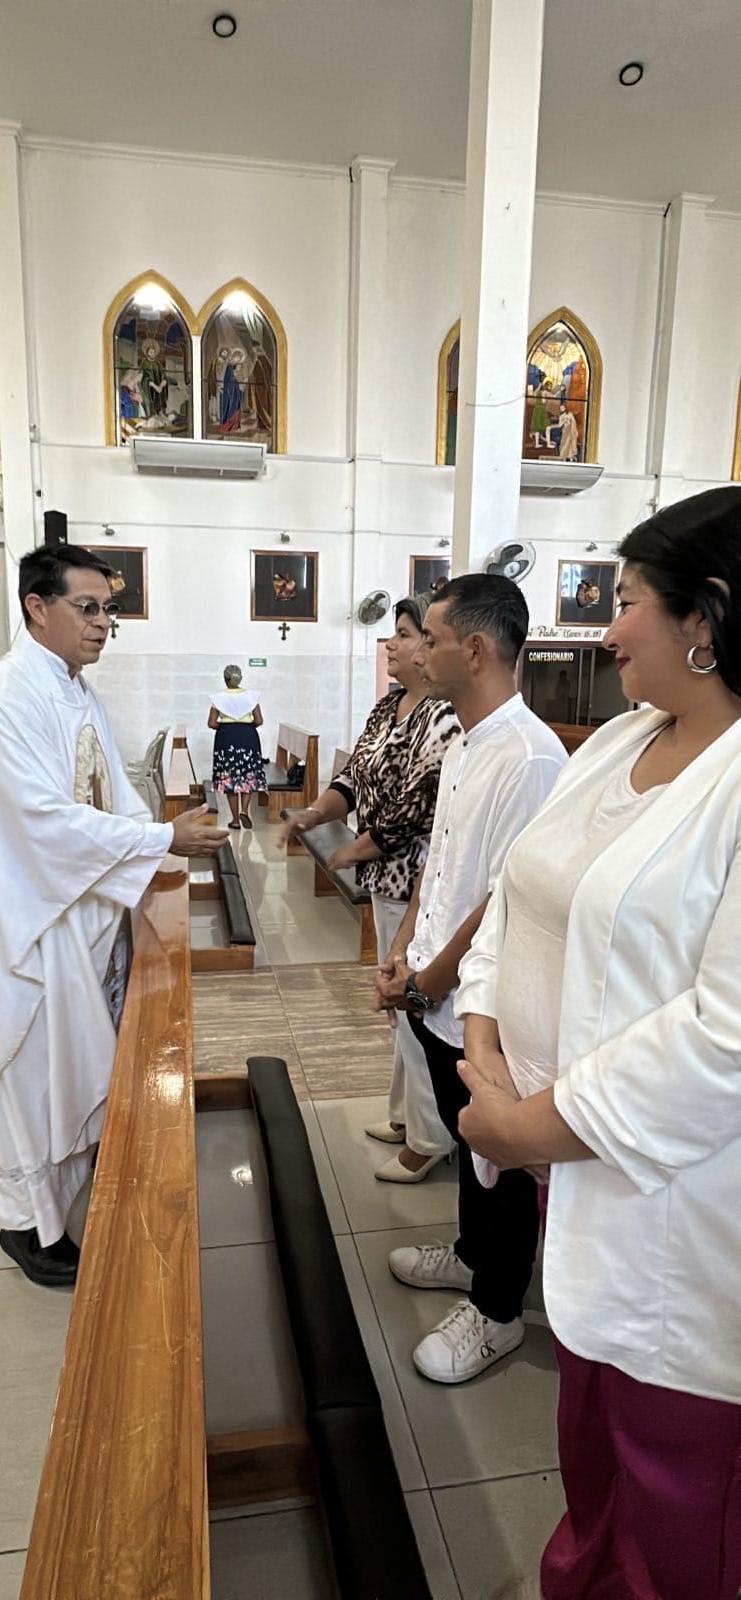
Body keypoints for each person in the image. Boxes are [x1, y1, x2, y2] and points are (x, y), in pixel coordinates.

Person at [455, 486, 741, 1600]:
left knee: (678, 1488)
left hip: (680, 1215)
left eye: (625, 601)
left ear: (704, 616)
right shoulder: (621, 737)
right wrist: (481, 1031)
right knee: (591, 1437)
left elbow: (724, 1038)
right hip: (566, 1171)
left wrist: (522, 1124)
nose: (606, 628)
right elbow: (518, 890)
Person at [0, 546, 227, 1289]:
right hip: (26, 924)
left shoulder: (75, 691)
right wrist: (159, 840)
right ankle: (26, 1225)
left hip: (76, 914)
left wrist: (153, 837)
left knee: (68, 1068)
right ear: (37, 607)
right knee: (31, 1076)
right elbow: (39, 821)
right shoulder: (3, 699)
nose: (102, 624)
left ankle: (63, 1200)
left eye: (108, 611)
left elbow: (113, 793)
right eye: (87, 608)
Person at [375, 575, 567, 1381]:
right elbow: (439, 858)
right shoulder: (462, 740)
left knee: (499, 1160)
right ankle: (468, 1255)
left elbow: (502, 899)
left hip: (483, 1003)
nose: (417, 650)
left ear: (476, 649)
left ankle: (497, 1310)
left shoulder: (531, 758)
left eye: (431, 637)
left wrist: (431, 979)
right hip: (435, 988)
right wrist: (405, 951)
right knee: (464, 1137)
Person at [283, 597, 459, 1179]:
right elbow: (353, 777)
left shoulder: (444, 717)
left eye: (405, 634)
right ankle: (406, 1116)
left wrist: (351, 850)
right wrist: (315, 813)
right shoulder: (388, 707)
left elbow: (416, 805)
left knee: (415, 1007)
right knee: (396, 1009)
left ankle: (431, 1139)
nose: (392, 644)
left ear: (428, 646)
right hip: (385, 878)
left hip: (418, 881)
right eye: (394, 634)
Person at [208, 664, 267, 829]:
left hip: (226, 738)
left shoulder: (218, 698)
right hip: (248, 737)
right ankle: (245, 811)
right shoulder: (251, 697)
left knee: (230, 777)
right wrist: (246, 726)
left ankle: (234, 820)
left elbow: (211, 723)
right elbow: (259, 720)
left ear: (225, 679)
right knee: (248, 774)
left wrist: (225, 727)